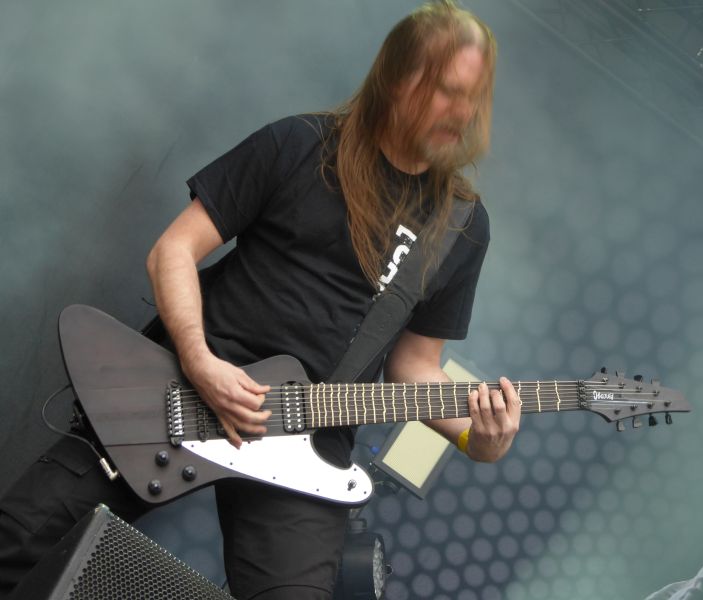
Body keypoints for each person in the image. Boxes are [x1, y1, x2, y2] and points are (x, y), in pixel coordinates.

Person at [0, 3, 521, 599]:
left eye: (473, 98)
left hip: (311, 435)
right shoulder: (298, 144)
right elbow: (173, 251)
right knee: (18, 539)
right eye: (448, 92)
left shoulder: (461, 225)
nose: (461, 113)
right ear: (398, 78)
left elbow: (414, 365)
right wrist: (199, 361)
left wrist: (476, 438)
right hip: (183, 389)